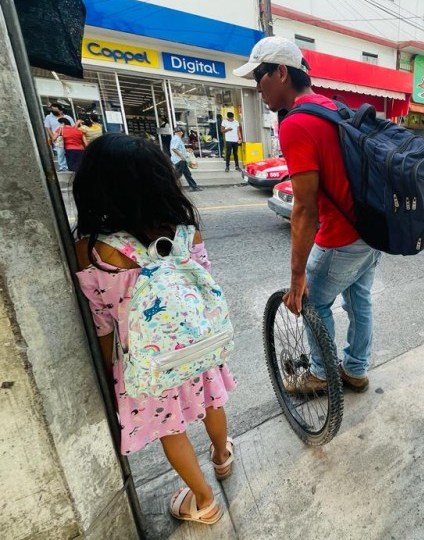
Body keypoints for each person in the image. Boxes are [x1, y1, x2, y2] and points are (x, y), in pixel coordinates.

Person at [72, 134, 236, 525]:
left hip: (148, 364)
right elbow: (201, 281)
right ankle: (222, 456)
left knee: (169, 428)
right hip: (197, 347)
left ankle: (204, 499)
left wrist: (110, 378)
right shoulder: (186, 233)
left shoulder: (94, 250)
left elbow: (103, 320)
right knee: (213, 402)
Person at [234, 35, 380, 394]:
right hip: (372, 229)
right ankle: (356, 370)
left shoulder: (296, 123)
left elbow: (303, 209)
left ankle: (319, 373)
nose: (257, 88)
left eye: (259, 77)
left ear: (281, 72)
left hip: (341, 236)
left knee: (313, 301)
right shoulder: (334, 108)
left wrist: (297, 276)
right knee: (359, 298)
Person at [44, 103, 73, 172]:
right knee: (60, 152)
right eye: (52, 110)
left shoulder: (67, 117)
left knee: (68, 152)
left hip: (68, 137)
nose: (53, 111)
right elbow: (48, 128)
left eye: (55, 110)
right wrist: (52, 137)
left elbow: (73, 127)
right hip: (57, 137)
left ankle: (70, 165)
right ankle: (63, 166)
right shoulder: (49, 117)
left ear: (61, 111)